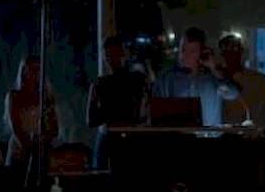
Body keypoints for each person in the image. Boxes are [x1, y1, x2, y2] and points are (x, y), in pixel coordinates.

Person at [150, 27, 241, 127]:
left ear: (202, 53)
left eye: (192, 51)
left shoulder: (213, 77)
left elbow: (233, 94)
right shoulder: (166, 79)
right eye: (183, 49)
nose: (185, 56)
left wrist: (213, 68)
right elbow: (156, 113)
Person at [86, 35, 148, 170]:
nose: (111, 59)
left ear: (123, 54)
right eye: (108, 55)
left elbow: (141, 113)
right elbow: (91, 121)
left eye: (114, 54)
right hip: (112, 140)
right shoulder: (103, 84)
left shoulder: (135, 80)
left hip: (122, 138)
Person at [218, 33, 265, 139]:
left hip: (248, 140)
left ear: (242, 53)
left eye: (235, 50)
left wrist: (264, 134)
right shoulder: (213, 79)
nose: (232, 55)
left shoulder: (256, 80)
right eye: (228, 51)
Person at [5, 55, 59, 182]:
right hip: (19, 151)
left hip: (41, 152)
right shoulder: (15, 97)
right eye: (31, 70)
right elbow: (16, 126)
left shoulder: (46, 98)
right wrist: (28, 146)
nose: (35, 74)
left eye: (38, 70)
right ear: (23, 72)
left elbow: (54, 127)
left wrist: (42, 139)